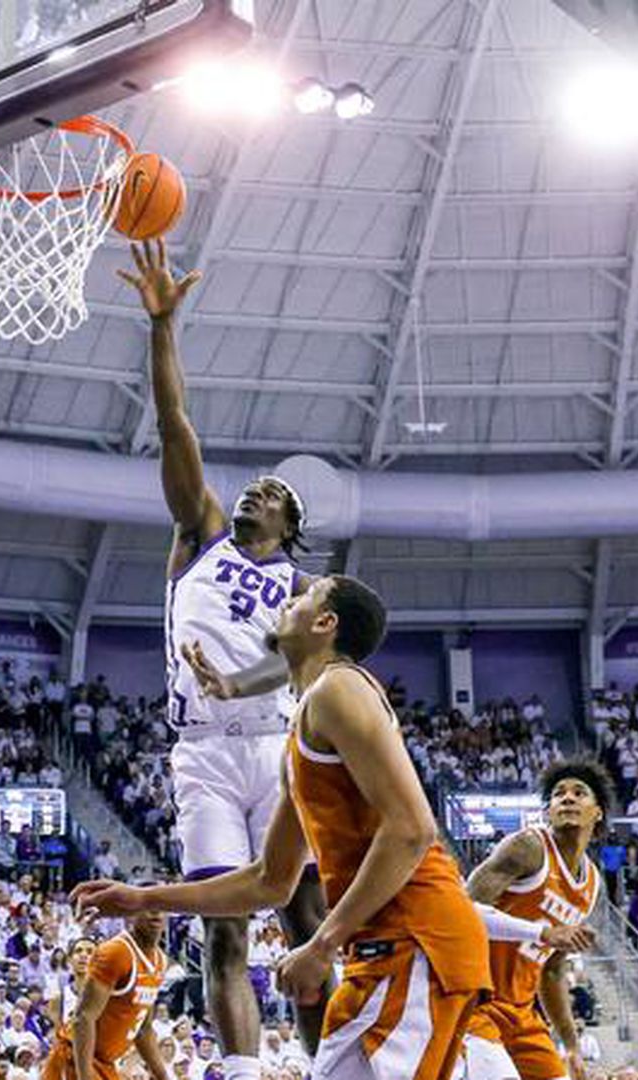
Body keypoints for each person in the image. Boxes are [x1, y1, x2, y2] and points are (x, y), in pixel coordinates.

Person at [75, 575, 491, 1080]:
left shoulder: (340, 686)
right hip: (389, 949)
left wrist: (321, 944)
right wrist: (144, 900)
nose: (285, 602)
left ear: (324, 623)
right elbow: (269, 881)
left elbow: (412, 830)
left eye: (300, 598)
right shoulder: (302, 728)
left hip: (418, 942)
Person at [122, 238, 330, 1074]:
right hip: (204, 751)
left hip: (275, 746)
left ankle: (328, 1066)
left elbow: (294, 668)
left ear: (291, 526)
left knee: (308, 917)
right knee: (224, 926)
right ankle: (242, 1072)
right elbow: (176, 424)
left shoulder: (309, 589)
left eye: (274, 495)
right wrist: (164, 328)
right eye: (254, 486)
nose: (256, 491)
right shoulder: (199, 537)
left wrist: (236, 676)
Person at [462, 763, 612, 1080]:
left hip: (522, 1012)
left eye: (578, 793)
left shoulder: (592, 883)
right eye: (558, 794)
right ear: (547, 812)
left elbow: (554, 970)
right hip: (475, 1001)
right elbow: (460, 913)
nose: (567, 798)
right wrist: (542, 933)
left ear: (597, 813)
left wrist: (571, 1046)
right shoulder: (528, 848)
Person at [43, 910, 169, 1080]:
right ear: (131, 913)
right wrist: (85, 1076)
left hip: (105, 1063)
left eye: (162, 906)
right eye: (148, 906)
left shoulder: (160, 960)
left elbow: (143, 1029)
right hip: (78, 1059)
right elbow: (83, 1018)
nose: (156, 913)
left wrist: (163, 1076)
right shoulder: (117, 952)